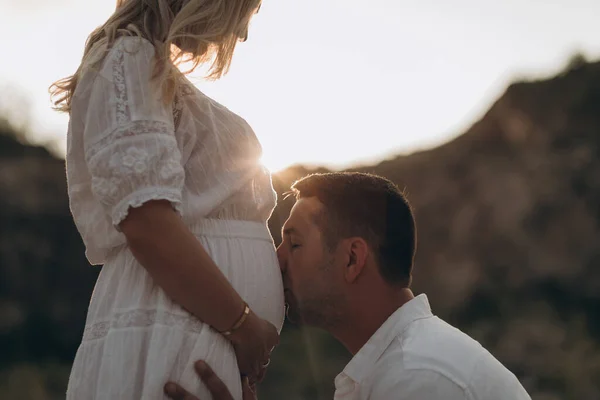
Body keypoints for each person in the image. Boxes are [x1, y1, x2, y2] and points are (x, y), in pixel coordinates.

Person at [49, 1, 283, 399]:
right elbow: (146, 223)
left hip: (195, 329)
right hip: (171, 330)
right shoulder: (127, 57)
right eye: (245, 10)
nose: (240, 33)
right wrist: (243, 326)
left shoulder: (144, 64)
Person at [163, 172, 532, 400]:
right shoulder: (403, 364)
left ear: (353, 259)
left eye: (294, 243)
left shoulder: (418, 378)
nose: (277, 260)